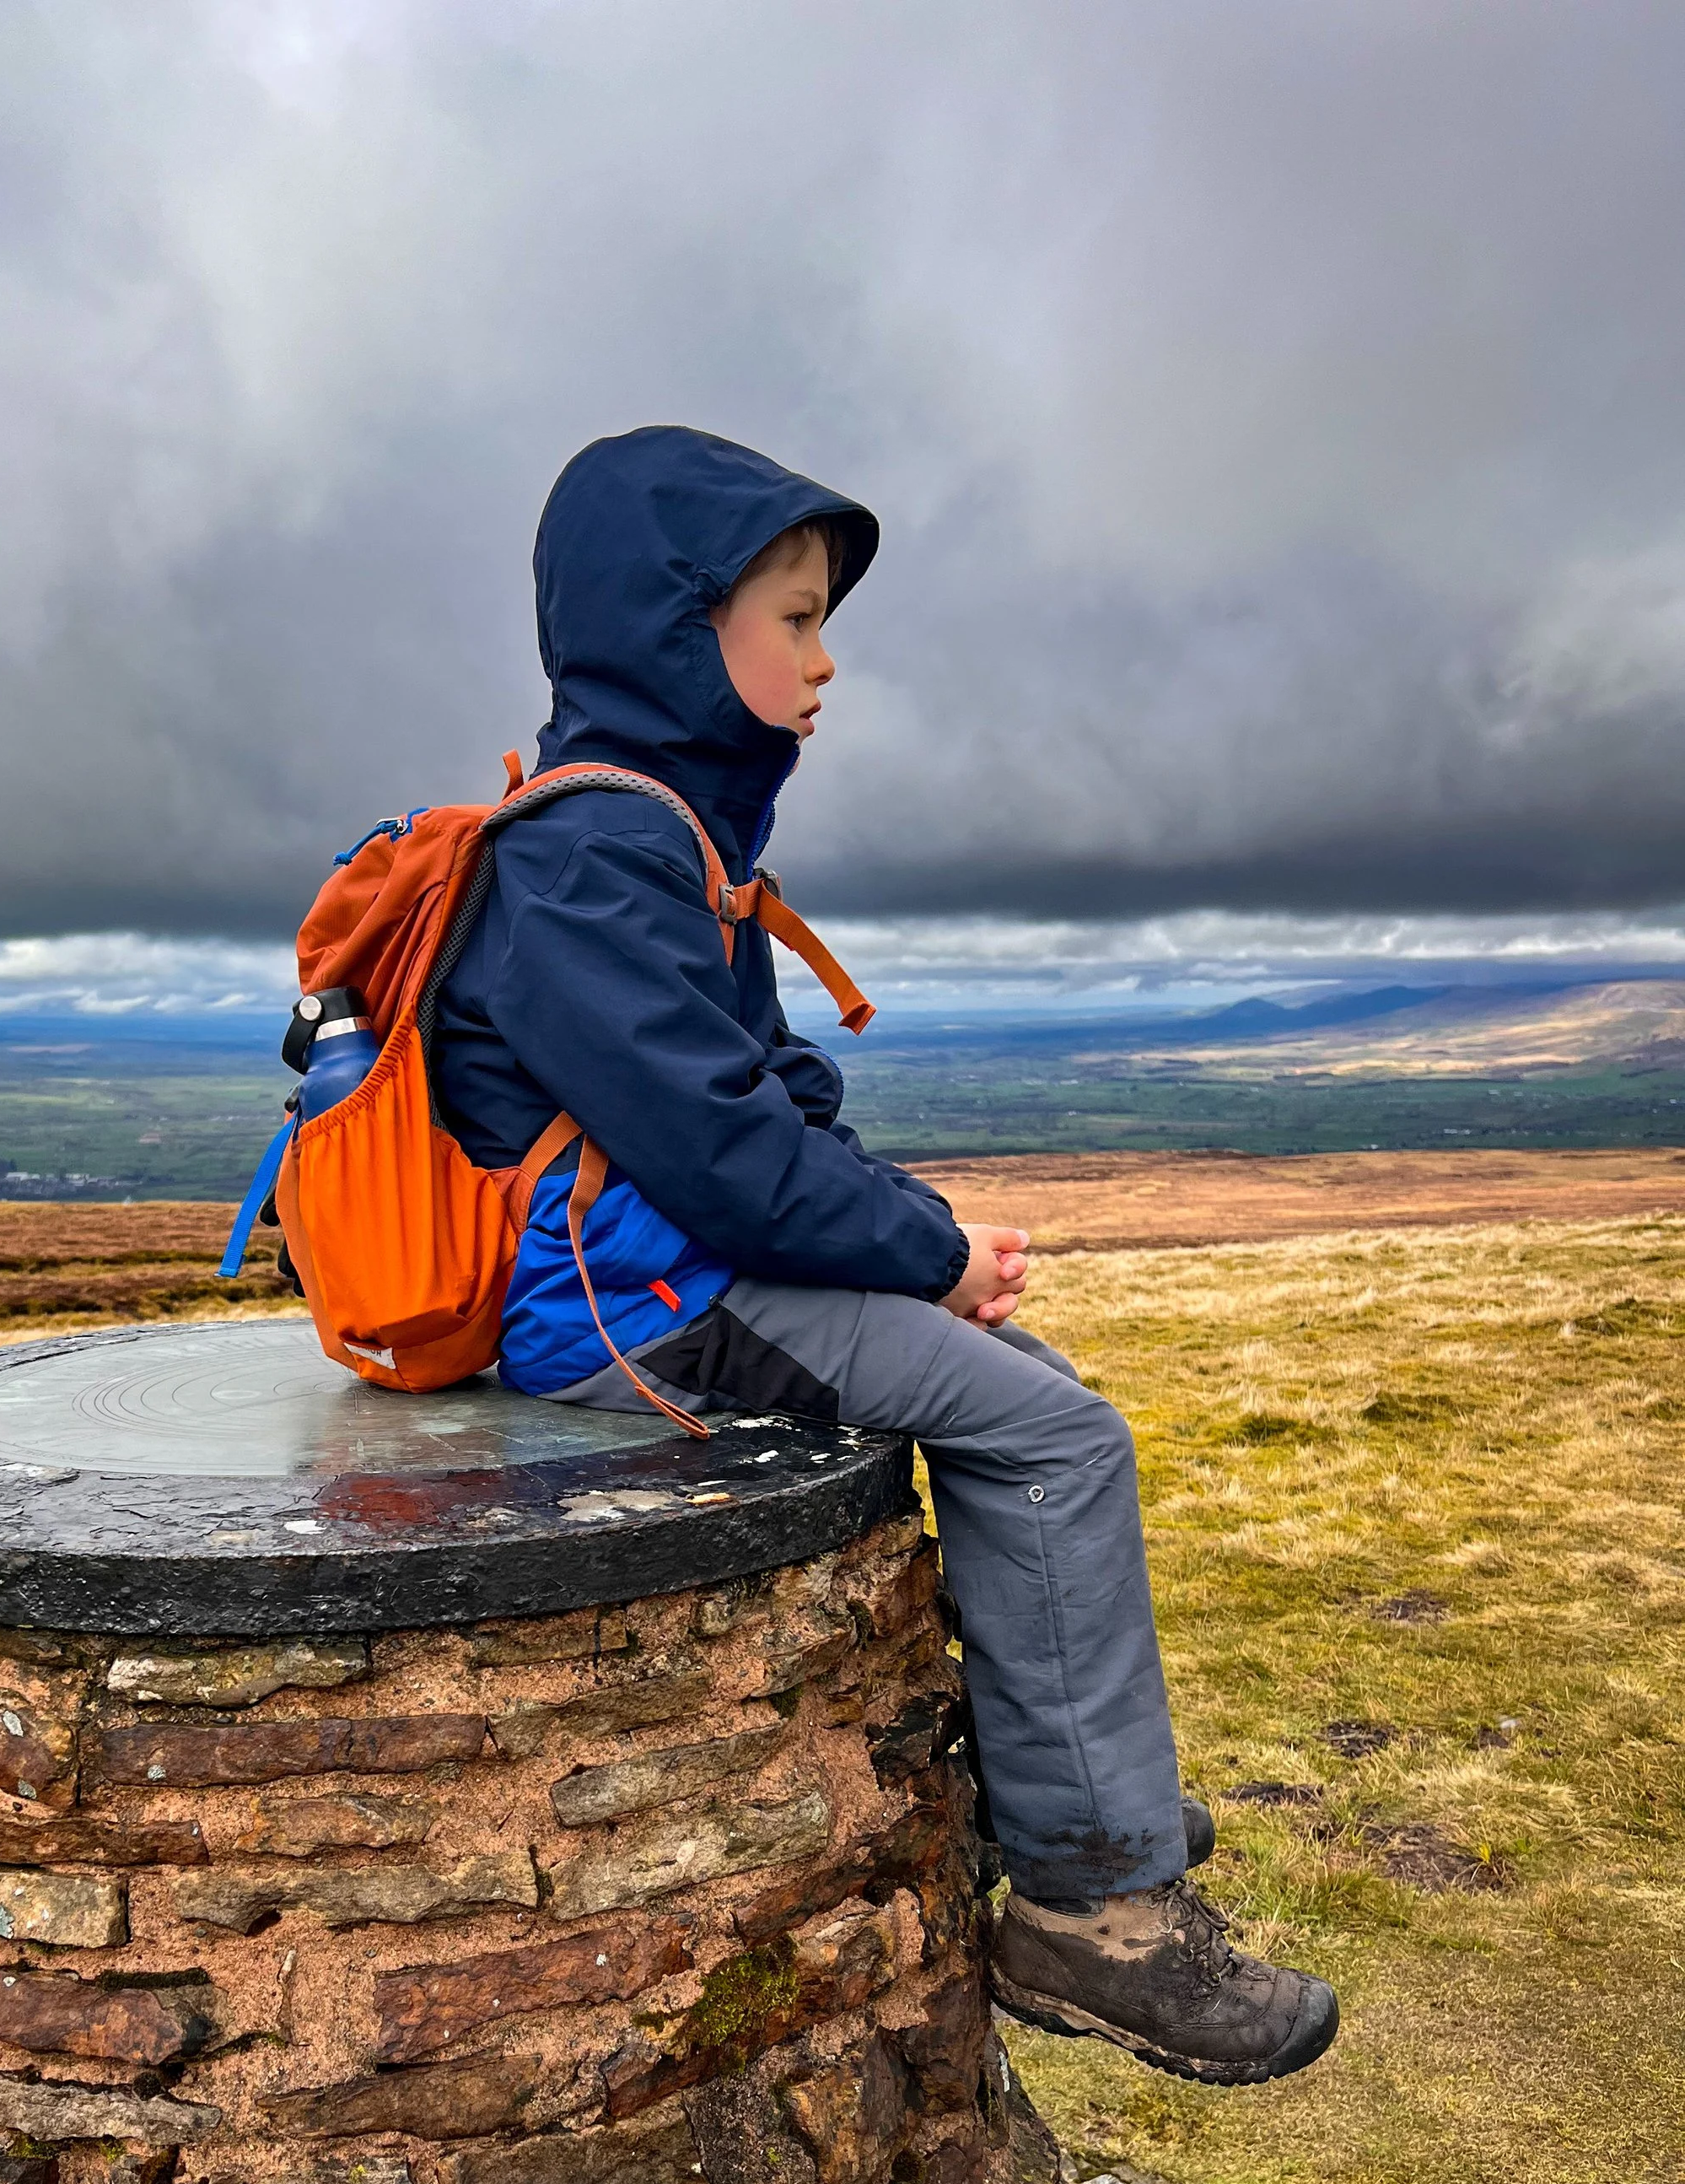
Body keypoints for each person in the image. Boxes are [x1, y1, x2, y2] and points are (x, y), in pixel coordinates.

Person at [432, 424, 1338, 2086]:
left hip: (684, 1269)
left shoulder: (671, 838)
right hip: (626, 1311)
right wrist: (922, 1255)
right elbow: (720, 1157)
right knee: (1056, 1437)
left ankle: (1066, 1771)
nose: (823, 656)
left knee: (1028, 1389)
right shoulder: (585, 856)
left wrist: (925, 1257)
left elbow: (775, 1106)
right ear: (672, 624)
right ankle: (1090, 1912)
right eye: (790, 615)